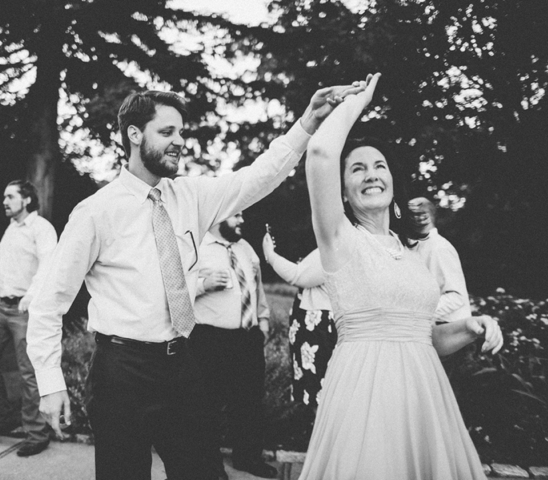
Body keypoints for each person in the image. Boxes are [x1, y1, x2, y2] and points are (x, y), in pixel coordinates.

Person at [27, 82, 367, 480]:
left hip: (183, 364)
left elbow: (258, 177)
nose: (179, 142)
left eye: (181, 133)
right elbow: (49, 301)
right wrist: (50, 383)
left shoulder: (191, 195)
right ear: (134, 135)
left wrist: (309, 121)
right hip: (122, 371)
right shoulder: (94, 213)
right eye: (167, 132)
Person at [299, 73, 504, 479]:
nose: (371, 174)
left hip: (424, 398)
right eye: (357, 169)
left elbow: (426, 337)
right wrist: (357, 102)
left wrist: (470, 326)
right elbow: (321, 152)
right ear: (342, 192)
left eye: (380, 166)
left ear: (393, 183)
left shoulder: (412, 253)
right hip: (364, 397)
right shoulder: (339, 239)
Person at [0, 180, 57, 457]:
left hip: (25, 307)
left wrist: (31, 298)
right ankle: (0, 419)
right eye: (4, 197)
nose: (4, 201)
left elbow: (49, 266)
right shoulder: (10, 229)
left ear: (27, 199)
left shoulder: (41, 229)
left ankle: (37, 433)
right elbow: (7, 265)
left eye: (10, 196)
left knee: (29, 371)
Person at [191, 212, 276, 479]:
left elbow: (257, 286)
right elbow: (174, 288)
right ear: (218, 215)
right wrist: (203, 284)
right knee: (208, 405)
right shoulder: (196, 247)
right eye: (236, 215)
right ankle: (208, 466)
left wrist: (262, 320)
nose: (242, 220)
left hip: (247, 338)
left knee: (249, 401)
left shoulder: (245, 247)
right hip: (210, 339)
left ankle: (247, 458)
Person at [261, 235, 337, 411]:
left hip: (319, 331)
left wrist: (270, 255)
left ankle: (324, 433)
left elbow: (297, 276)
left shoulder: (333, 249)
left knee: (321, 392)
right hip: (318, 328)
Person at [407, 196, 471, 322]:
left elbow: (456, 297)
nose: (414, 218)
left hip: (449, 328)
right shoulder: (416, 246)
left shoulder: (439, 247)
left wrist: (418, 316)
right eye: (410, 215)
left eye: (419, 214)